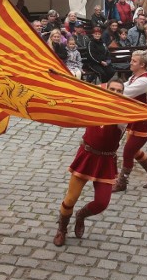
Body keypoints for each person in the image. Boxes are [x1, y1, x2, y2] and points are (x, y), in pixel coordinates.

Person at [53, 80, 127, 246]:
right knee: (71, 198)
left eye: (119, 91)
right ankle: (62, 229)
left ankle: (81, 215)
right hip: (87, 156)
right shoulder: (93, 105)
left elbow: (146, 114)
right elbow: (74, 96)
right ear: (106, 90)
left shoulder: (125, 115)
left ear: (123, 94)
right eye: (112, 89)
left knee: (102, 203)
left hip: (106, 160)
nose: (115, 92)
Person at [112, 50, 147, 192]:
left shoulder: (145, 81)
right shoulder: (134, 77)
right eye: (131, 60)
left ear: (142, 64)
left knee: (128, 151)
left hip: (146, 122)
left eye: (134, 61)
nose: (130, 63)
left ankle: (122, 182)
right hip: (136, 118)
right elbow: (123, 87)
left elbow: (124, 93)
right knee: (133, 150)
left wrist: (103, 90)